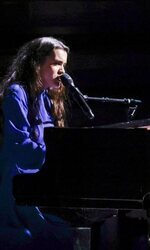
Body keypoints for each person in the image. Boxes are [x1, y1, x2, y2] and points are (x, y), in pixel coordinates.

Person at [0, 37, 74, 249]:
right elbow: (19, 147)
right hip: (18, 186)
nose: (62, 71)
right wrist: (56, 156)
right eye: (56, 63)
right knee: (52, 238)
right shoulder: (17, 93)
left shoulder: (45, 98)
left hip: (39, 184)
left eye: (64, 65)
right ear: (36, 64)